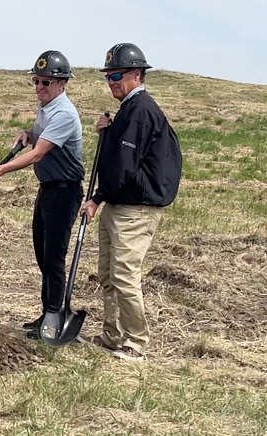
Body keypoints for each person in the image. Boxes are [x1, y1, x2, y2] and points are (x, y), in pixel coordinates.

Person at [79, 43, 183, 361]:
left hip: (135, 209)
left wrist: (97, 197)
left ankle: (136, 342)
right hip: (119, 203)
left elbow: (125, 165)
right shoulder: (128, 109)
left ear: (137, 75)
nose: (112, 81)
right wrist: (106, 133)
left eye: (118, 75)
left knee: (124, 274)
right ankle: (112, 335)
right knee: (108, 275)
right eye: (109, 76)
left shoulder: (140, 111)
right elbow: (120, 158)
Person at [0, 50, 83, 339]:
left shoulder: (64, 113)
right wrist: (27, 133)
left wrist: (0, 171)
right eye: (36, 81)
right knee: (42, 254)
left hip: (65, 192)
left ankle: (55, 321)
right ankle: (47, 313)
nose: (40, 88)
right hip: (49, 189)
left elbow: (39, 154)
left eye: (46, 83)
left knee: (54, 257)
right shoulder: (47, 108)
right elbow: (39, 137)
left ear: (63, 83)